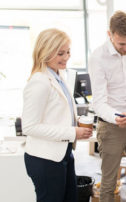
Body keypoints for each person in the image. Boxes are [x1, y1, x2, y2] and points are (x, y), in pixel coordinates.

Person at [22, 28, 93, 202]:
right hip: (45, 158)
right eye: (60, 53)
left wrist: (77, 123)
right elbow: (29, 127)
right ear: (45, 52)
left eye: (68, 51)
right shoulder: (39, 82)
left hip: (63, 152)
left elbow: (58, 113)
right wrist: (72, 132)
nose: (66, 57)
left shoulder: (59, 75)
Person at [88, 11, 126, 202]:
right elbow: (98, 102)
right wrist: (115, 117)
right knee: (109, 183)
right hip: (111, 126)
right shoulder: (98, 58)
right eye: (122, 44)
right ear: (109, 35)